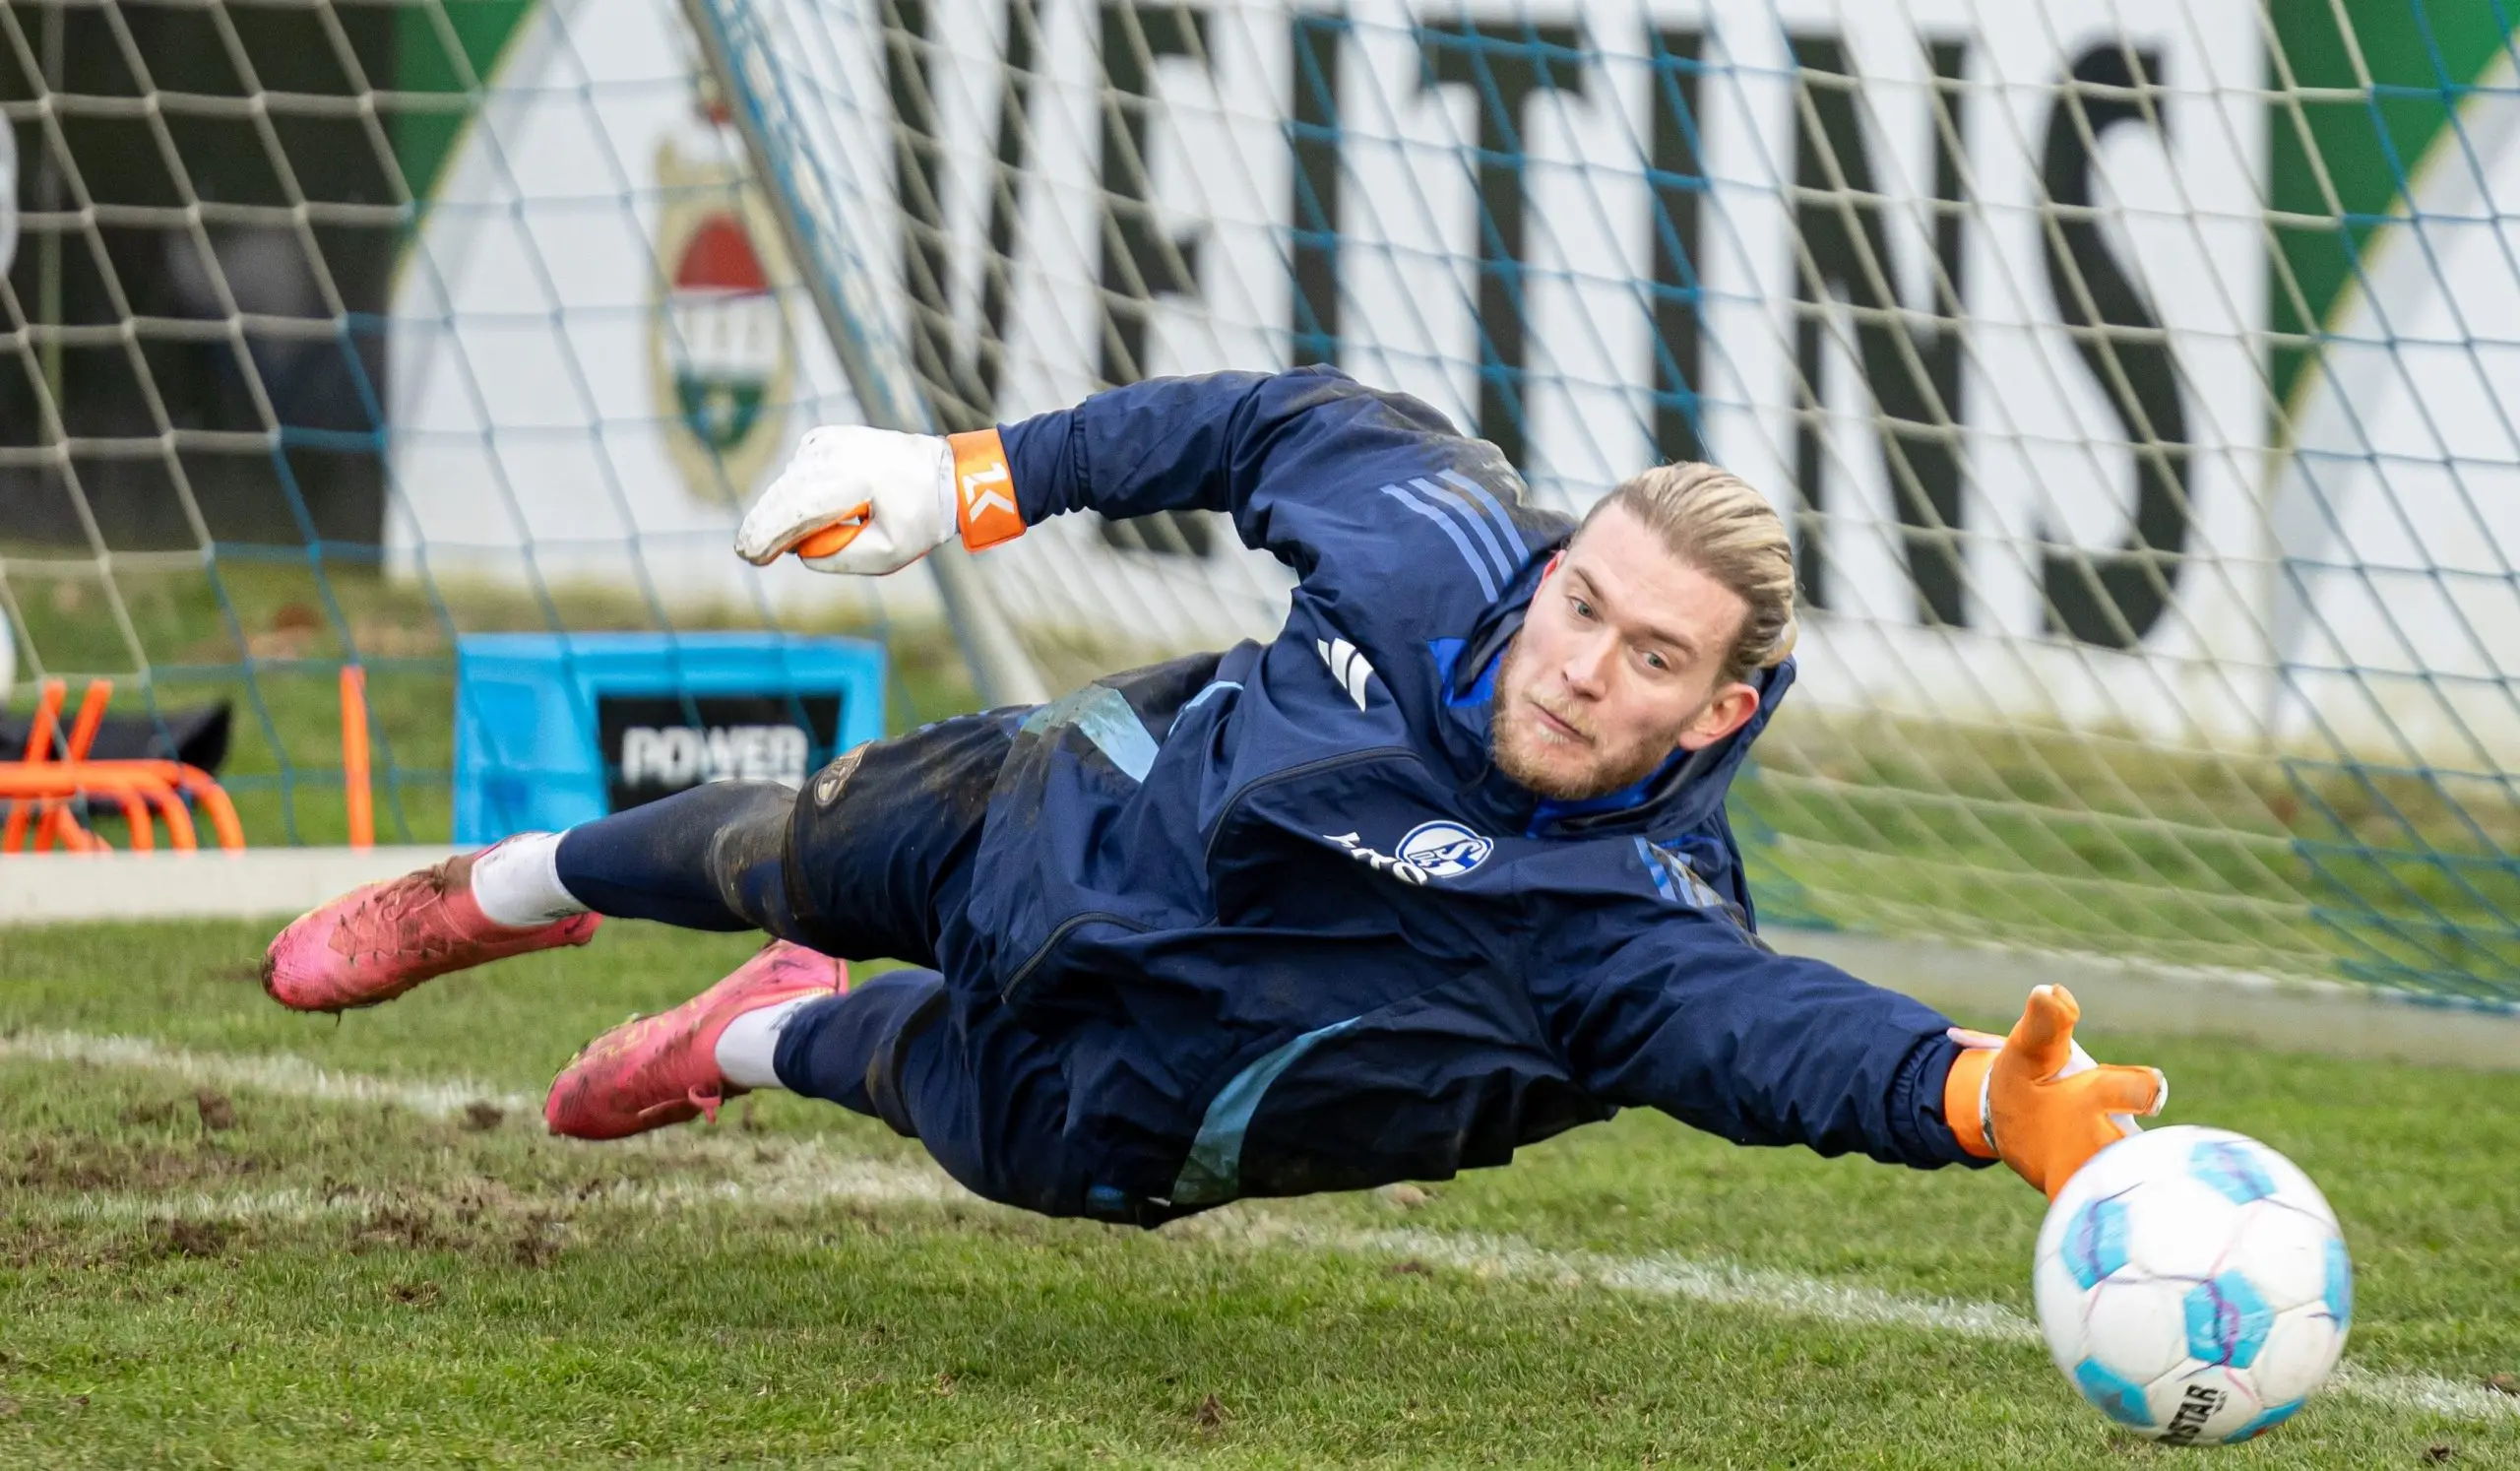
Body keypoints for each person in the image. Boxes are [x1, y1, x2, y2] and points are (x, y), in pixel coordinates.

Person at [263, 367, 2164, 1224]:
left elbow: (1781, 1039)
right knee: (785, 841)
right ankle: (498, 888)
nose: (1584, 663)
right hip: (1069, 816)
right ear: (1556, 554)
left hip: (1157, 1102)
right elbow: (1253, 427)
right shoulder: (1433, 538)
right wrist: (972, 480)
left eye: (1650, 659)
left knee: (937, 1098)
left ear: (1719, 706)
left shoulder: (1643, 919)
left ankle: (759, 1039)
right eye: (1583, 599)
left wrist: (1977, 1093)